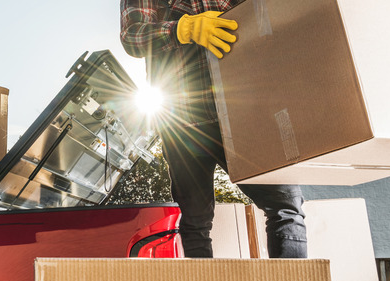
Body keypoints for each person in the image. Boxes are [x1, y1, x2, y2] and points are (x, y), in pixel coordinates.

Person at [119, 0, 308, 259]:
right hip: (183, 124)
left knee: (286, 206)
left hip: (238, 113)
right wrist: (185, 28)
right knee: (196, 221)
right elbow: (133, 36)